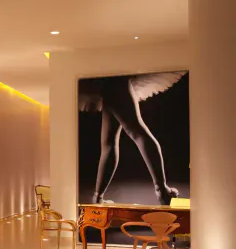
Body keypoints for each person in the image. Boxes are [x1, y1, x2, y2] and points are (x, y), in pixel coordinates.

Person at [79, 72, 185, 205]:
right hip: (113, 78)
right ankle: (162, 190)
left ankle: (98, 197)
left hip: (105, 80)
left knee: (109, 143)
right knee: (137, 133)